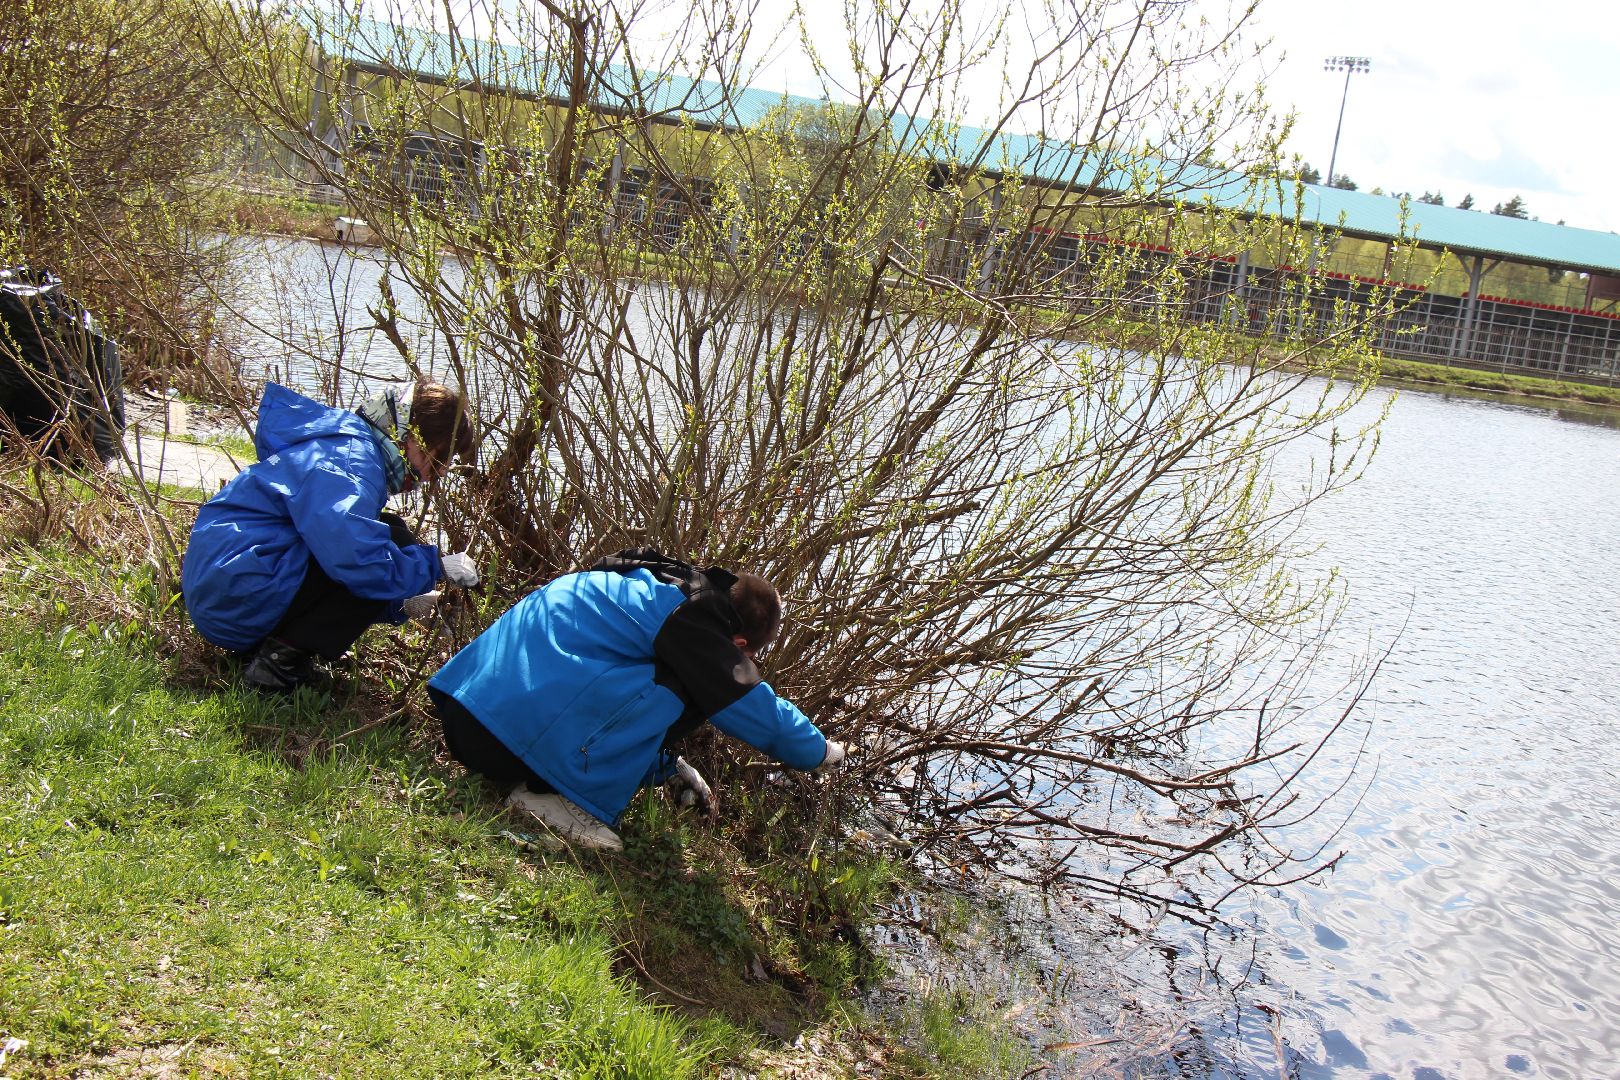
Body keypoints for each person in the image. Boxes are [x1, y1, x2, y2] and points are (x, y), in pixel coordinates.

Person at [426, 548, 847, 852]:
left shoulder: (651, 582)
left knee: (680, 678)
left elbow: (598, 693)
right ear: (739, 642)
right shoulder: (695, 625)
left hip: (465, 710)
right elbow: (752, 704)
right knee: (696, 691)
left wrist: (669, 767)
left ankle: (553, 783)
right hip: (503, 743)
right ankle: (546, 796)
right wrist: (820, 751)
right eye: (745, 655)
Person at [181, 380, 479, 692]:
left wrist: (399, 602)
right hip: (236, 597)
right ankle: (277, 665)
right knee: (386, 549)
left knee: (389, 532)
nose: (440, 472)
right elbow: (360, 563)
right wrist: (435, 567)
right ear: (405, 435)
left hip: (225, 587)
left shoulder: (343, 441)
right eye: (439, 456)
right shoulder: (352, 464)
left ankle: (279, 649)